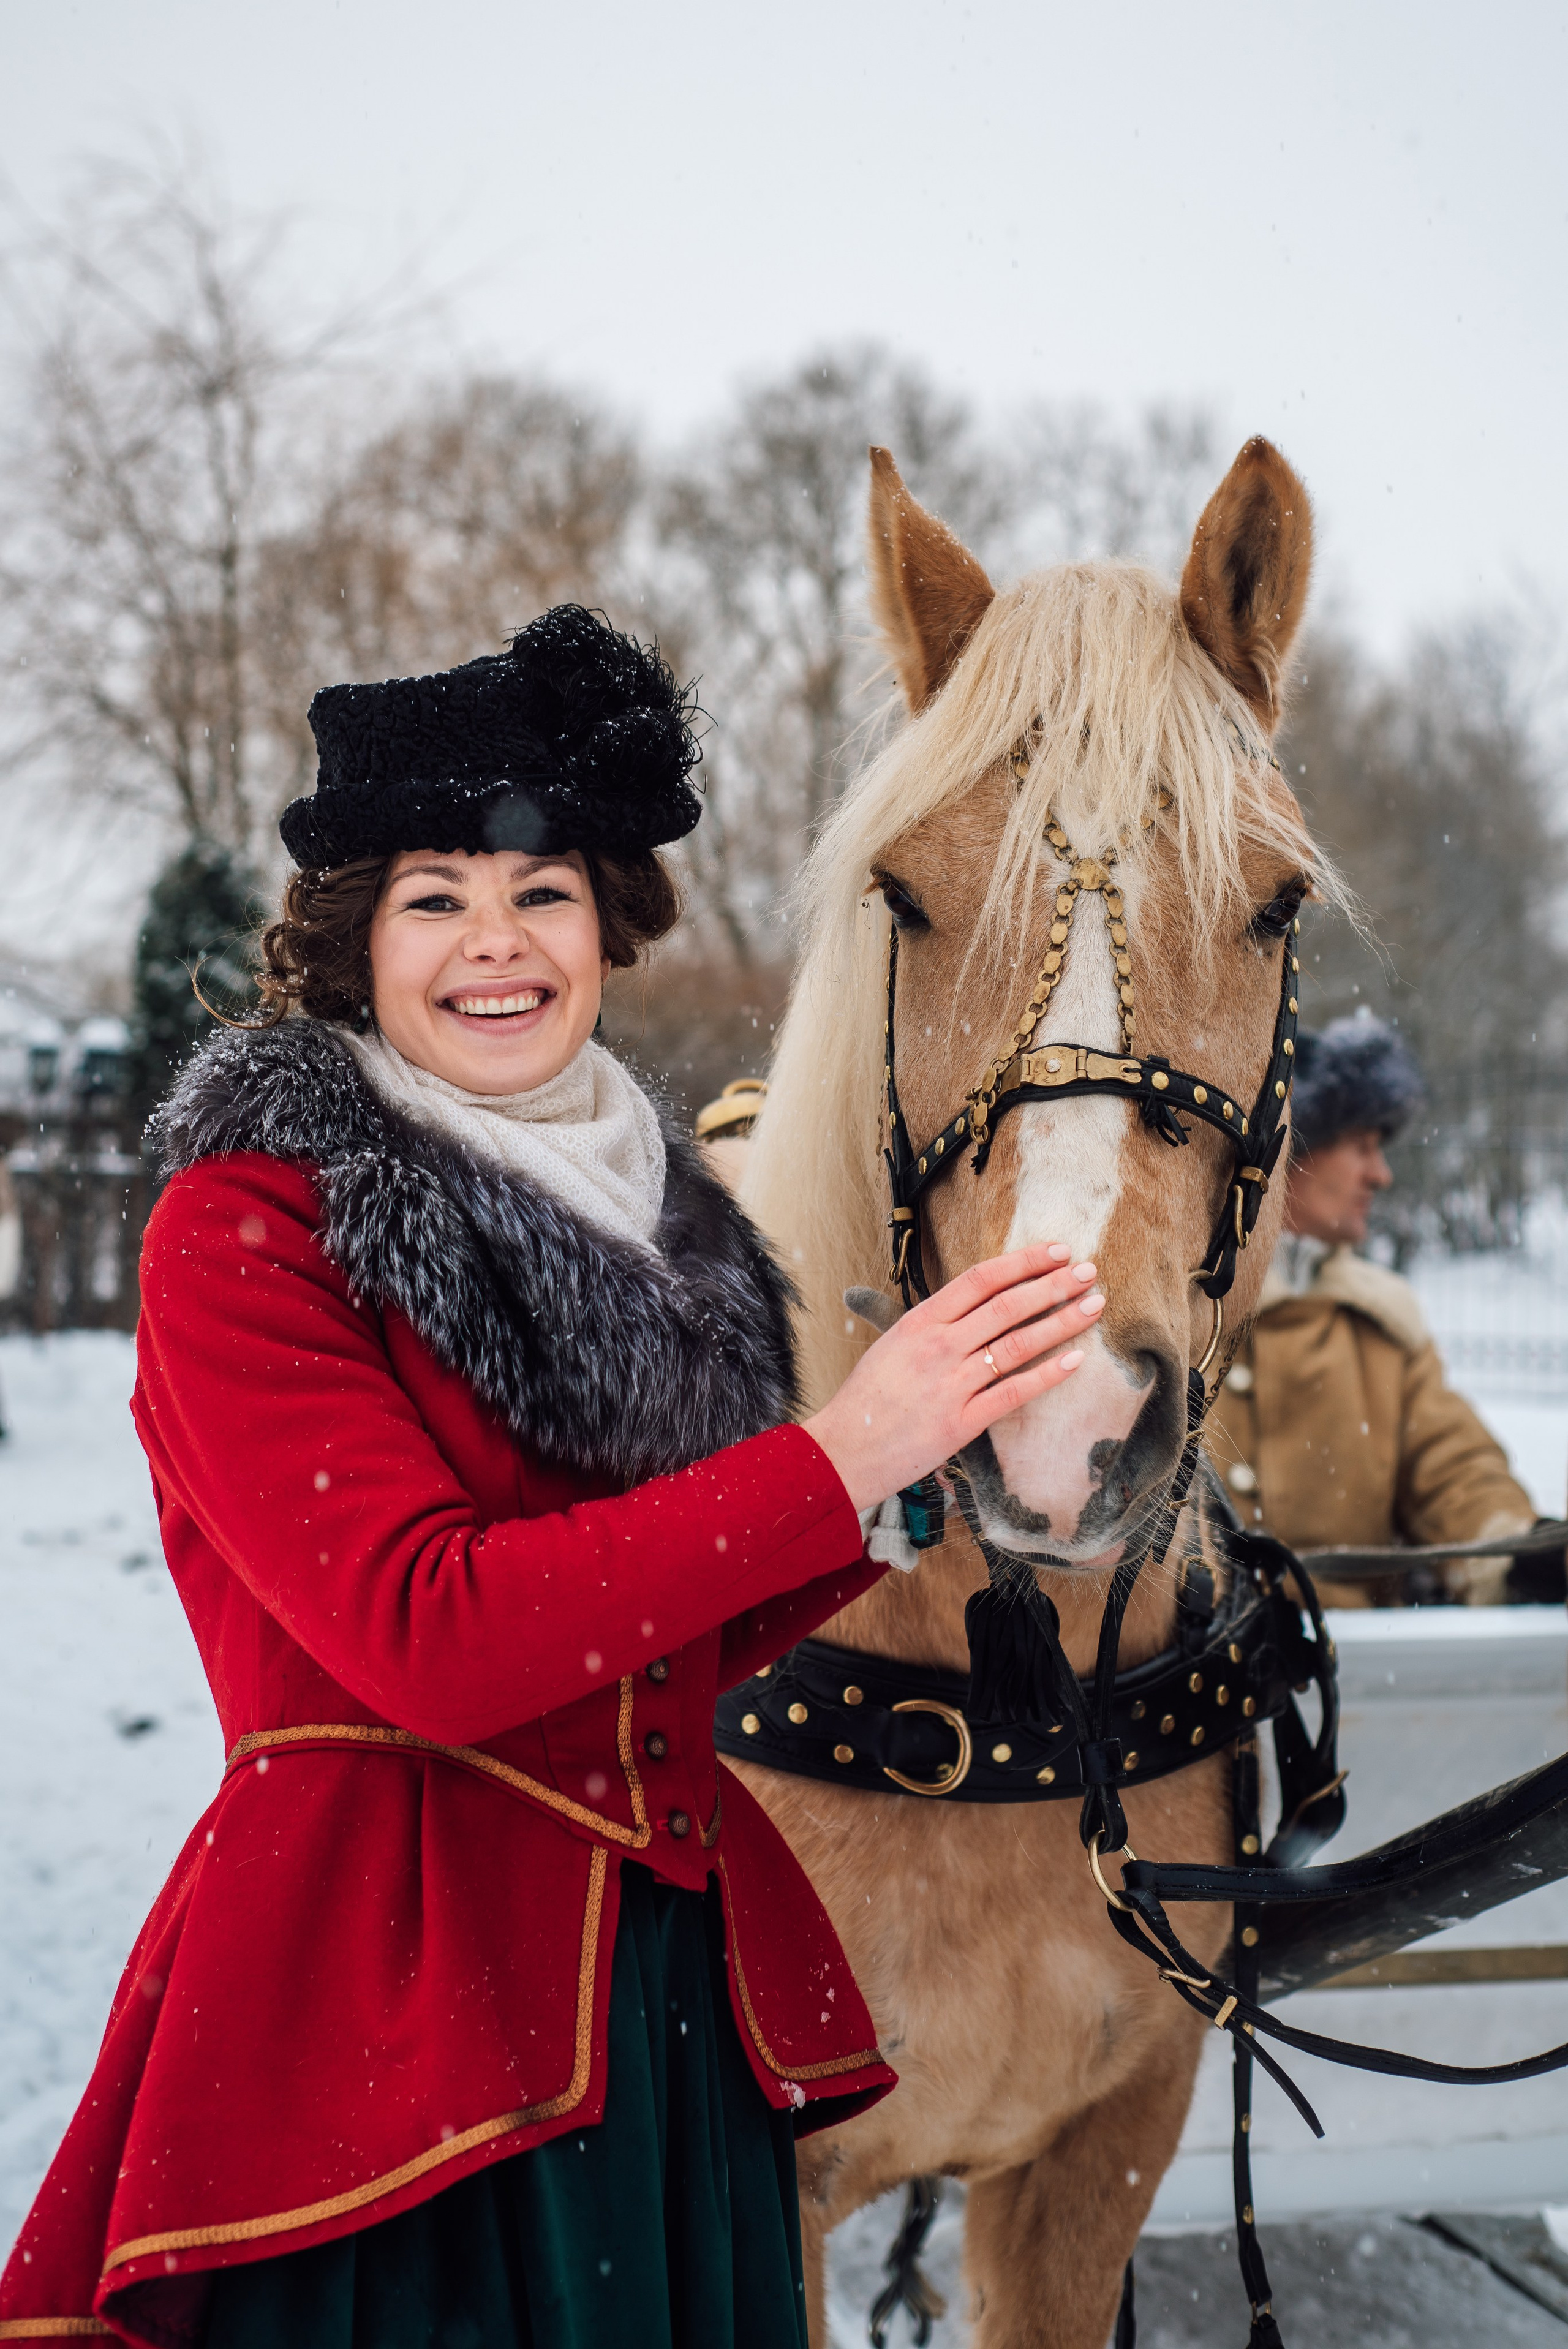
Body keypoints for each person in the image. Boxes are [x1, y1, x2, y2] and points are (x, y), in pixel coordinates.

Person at [0, 606, 1105, 2349]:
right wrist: (838, 1452)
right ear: (354, 942)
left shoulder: (668, 1223)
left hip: (662, 2025)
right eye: (435, 897)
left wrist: (917, 1473)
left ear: (608, 927)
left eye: (543, 894)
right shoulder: (249, 1227)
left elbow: (658, 1651)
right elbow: (431, 1638)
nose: (495, 944)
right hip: (384, 2029)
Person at [1207, 1013, 1539, 1607]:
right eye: (1362, 1146)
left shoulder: (1382, 1323)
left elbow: (1455, 1471)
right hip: (1182, 1681)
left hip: (1355, 1674)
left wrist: (1512, 1553)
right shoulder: (1181, 1314)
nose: (1380, 1174)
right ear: (1292, 1149)